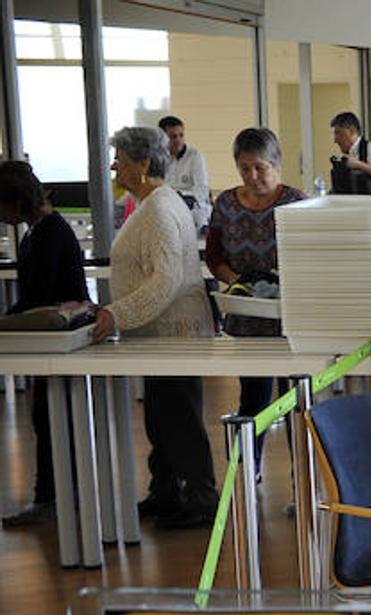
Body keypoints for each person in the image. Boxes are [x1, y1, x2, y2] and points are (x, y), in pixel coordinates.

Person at [93, 126, 218, 529]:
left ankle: (201, 500)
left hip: (174, 334)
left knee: (179, 418)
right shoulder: (150, 204)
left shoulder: (160, 208)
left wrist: (116, 314)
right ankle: (166, 492)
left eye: (122, 161)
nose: (115, 167)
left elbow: (165, 280)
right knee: (162, 418)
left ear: (143, 164)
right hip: (160, 335)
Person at [204, 127, 307, 471]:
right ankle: (249, 469)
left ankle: (302, 476)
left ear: (276, 165)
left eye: (260, 167)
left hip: (291, 319)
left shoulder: (296, 202)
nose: (252, 176)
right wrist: (237, 281)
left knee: (297, 400)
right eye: (245, 168)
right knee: (253, 396)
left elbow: (311, 258)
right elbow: (214, 256)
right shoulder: (226, 204)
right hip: (246, 318)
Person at [0, 161, 89, 527]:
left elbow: (39, 296)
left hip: (60, 341)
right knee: (48, 420)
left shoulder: (48, 234)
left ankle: (52, 498)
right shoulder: (40, 231)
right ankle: (53, 497)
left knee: (53, 420)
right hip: (54, 339)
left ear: (17, 202)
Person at [158, 115, 211, 235]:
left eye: (181, 135)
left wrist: (181, 197)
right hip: (166, 210)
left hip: (192, 209)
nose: (178, 140)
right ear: (162, 138)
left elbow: (202, 189)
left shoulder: (195, 156)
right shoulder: (157, 159)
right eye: (173, 136)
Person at [328, 112, 371, 196]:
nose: (335, 140)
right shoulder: (347, 155)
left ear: (352, 131)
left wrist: (358, 164)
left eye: (339, 133)